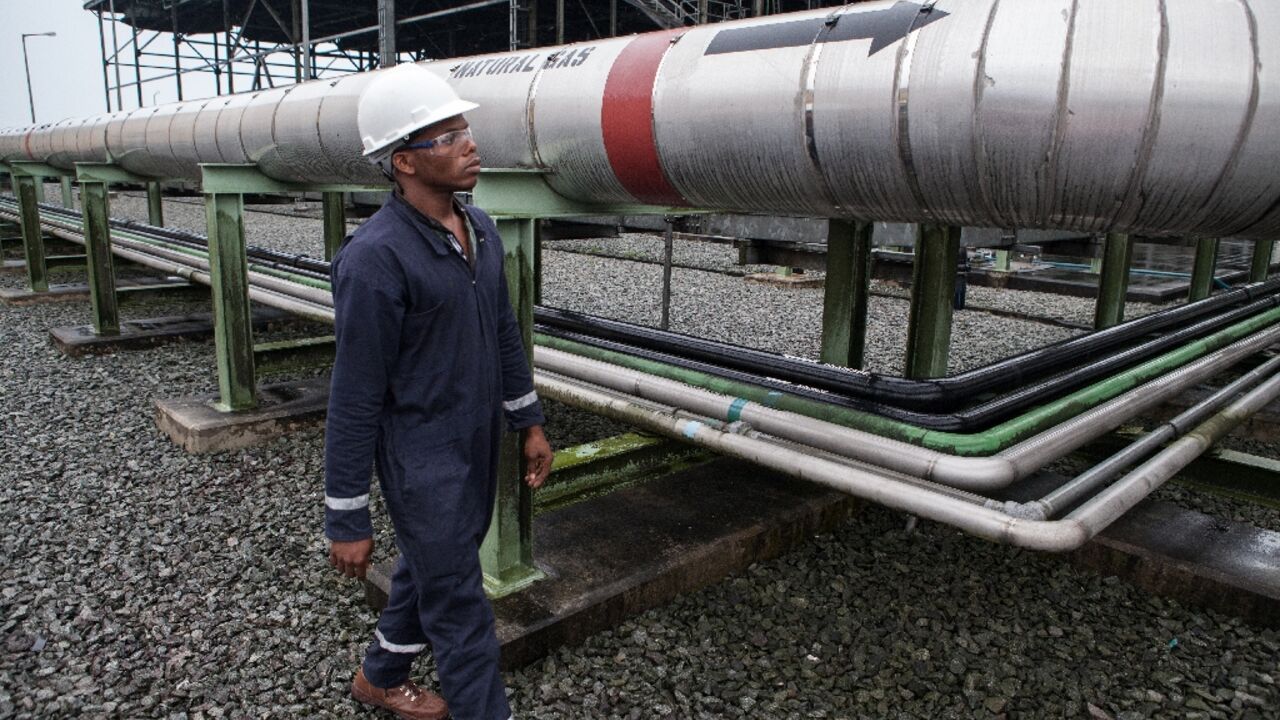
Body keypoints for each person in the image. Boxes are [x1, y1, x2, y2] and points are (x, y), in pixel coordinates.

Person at [323, 62, 554, 720]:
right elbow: (355, 396)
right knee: (460, 606)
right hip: (422, 458)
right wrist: (346, 515)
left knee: (432, 568)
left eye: (465, 129)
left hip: (477, 440)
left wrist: (528, 422)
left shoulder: (478, 230)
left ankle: (379, 676)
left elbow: (504, 332)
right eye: (447, 137)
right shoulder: (375, 259)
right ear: (404, 162)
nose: (469, 143)